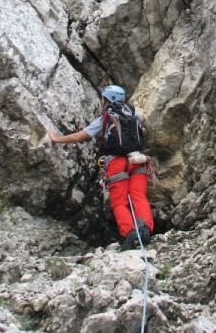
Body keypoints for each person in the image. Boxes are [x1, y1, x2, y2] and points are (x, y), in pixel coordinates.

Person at [48, 85, 154, 251]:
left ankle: (129, 234)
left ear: (107, 100)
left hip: (117, 162)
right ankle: (145, 230)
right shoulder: (134, 115)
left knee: (119, 202)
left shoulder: (105, 119)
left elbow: (79, 136)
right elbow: (145, 119)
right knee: (139, 196)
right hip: (139, 160)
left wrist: (56, 139)